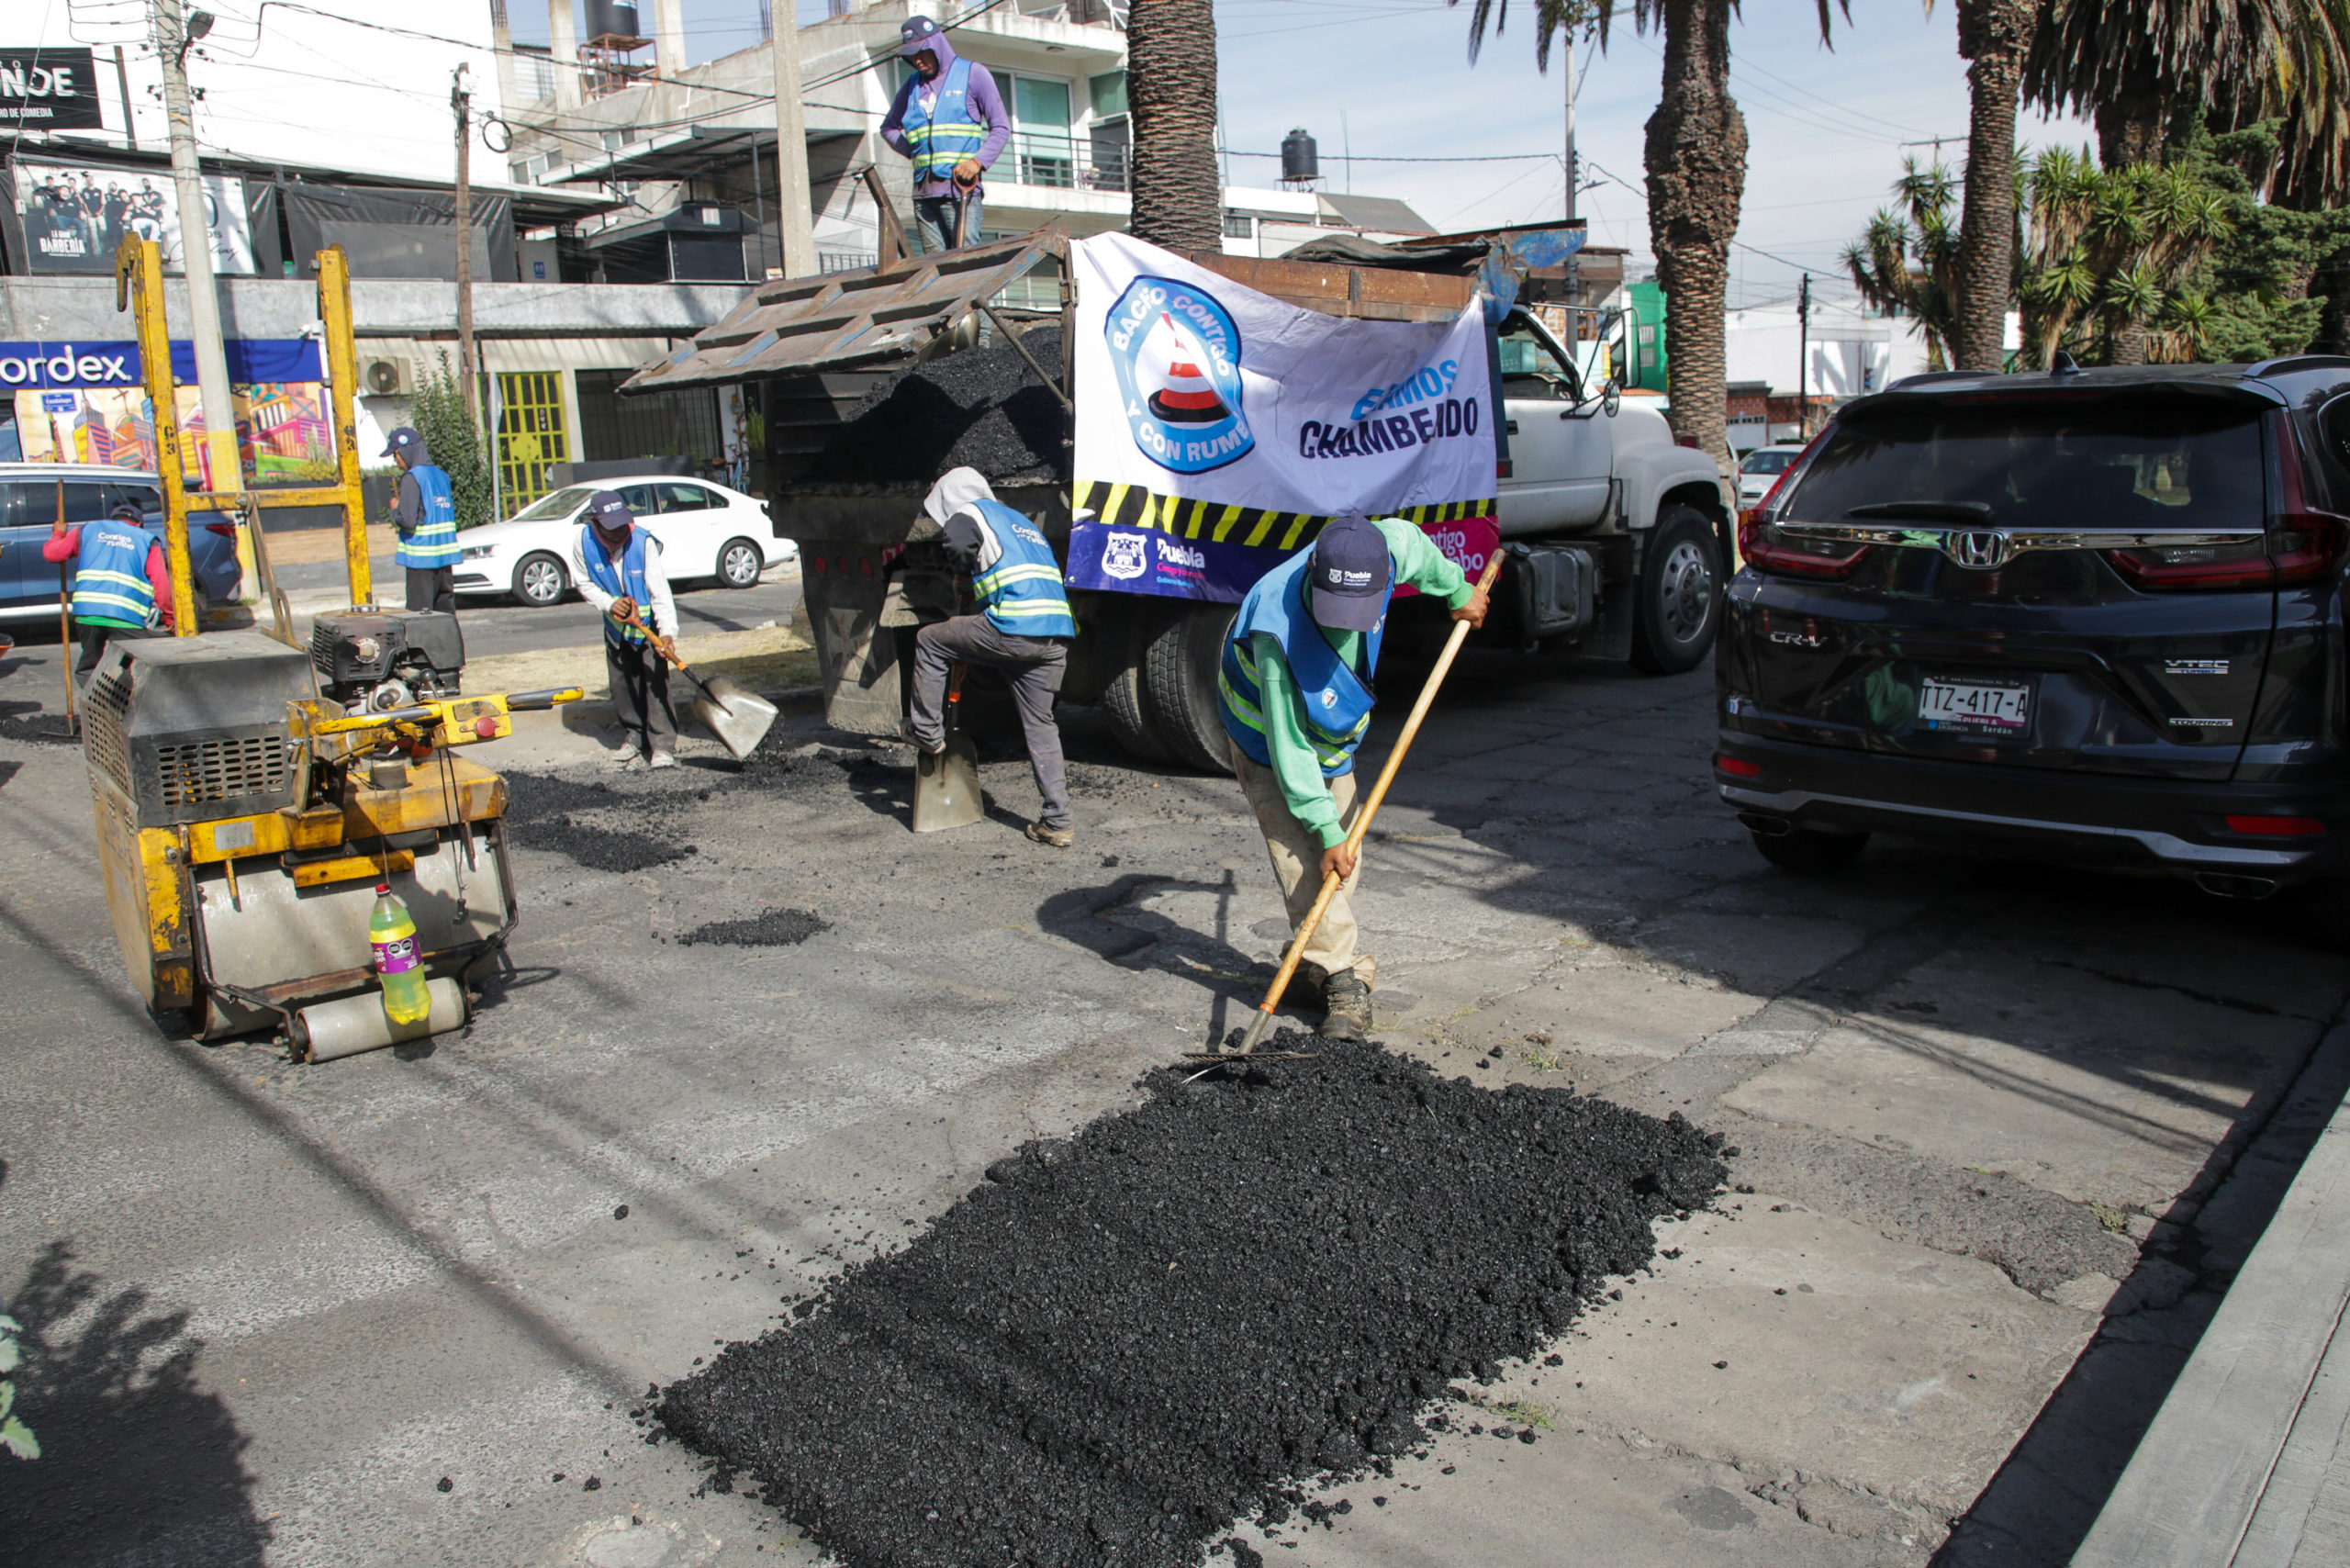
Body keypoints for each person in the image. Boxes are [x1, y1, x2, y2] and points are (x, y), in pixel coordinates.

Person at [1217, 515, 1489, 1041]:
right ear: (1315, 578)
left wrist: (1457, 590)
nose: (1349, 622)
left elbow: (1419, 549)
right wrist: (1322, 828)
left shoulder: (1384, 548)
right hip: (1266, 733)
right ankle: (1345, 979)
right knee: (1304, 850)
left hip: (1334, 726)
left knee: (1342, 856)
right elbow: (1291, 750)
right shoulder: (1278, 626)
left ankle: (1312, 961)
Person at [905, 466, 1075, 846]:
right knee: (1041, 726)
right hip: (1055, 638)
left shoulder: (970, 513)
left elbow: (958, 542)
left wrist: (962, 577)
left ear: (950, 497)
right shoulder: (1018, 521)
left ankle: (929, 734)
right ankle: (1058, 821)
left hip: (1014, 627)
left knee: (931, 640)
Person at [878, 15, 1010, 252]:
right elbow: (888, 128)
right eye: (911, 55)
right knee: (935, 270)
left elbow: (1001, 128)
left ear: (936, 44)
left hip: (960, 191)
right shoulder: (911, 86)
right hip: (923, 194)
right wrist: (912, 150)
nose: (917, 60)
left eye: (921, 52)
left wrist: (977, 162)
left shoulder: (973, 74)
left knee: (965, 265)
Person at [571, 488, 679, 771]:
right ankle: (635, 734)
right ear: (594, 523)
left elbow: (660, 593)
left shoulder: (642, 543)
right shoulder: (582, 543)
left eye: (623, 526)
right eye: (611, 528)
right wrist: (609, 604)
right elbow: (584, 583)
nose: (620, 533)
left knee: (655, 683)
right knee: (622, 684)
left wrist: (667, 633)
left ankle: (662, 745)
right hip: (617, 628)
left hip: (649, 627)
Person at [44, 500, 175, 679]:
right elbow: (161, 582)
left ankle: (94, 701)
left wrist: (58, 533)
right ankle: (124, 701)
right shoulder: (146, 539)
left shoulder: (87, 531)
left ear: (112, 519)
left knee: (89, 666)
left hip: (88, 613)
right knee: (133, 668)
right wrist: (169, 617)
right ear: (139, 523)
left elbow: (53, 554)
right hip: (126, 616)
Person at [382, 426, 459, 612]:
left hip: (421, 561)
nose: (396, 461)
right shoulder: (442, 476)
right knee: (444, 615)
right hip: (444, 560)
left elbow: (408, 520)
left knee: (420, 617)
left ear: (404, 451)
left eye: (396, 455)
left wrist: (395, 510)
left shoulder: (411, 478)